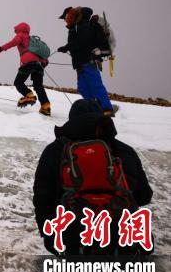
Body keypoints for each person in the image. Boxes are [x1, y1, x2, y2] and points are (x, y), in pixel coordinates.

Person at [33, 99, 153, 259]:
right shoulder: (124, 150)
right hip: (122, 233)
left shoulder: (55, 150)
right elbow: (144, 196)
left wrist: (49, 235)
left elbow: (43, 198)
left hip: (76, 235)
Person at [56, 6, 115, 117]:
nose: (65, 20)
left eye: (66, 17)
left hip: (88, 61)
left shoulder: (84, 26)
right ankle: (94, 107)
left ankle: (107, 108)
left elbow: (82, 41)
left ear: (71, 16)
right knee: (83, 88)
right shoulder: (75, 27)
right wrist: (67, 47)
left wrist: (67, 47)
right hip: (80, 64)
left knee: (95, 85)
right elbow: (78, 41)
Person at [0, 22, 51, 115]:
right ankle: (45, 106)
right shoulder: (33, 41)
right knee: (38, 86)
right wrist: (42, 64)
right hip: (38, 65)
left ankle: (29, 95)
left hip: (28, 63)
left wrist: (1, 48)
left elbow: (13, 43)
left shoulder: (21, 35)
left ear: (19, 29)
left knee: (18, 82)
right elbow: (45, 60)